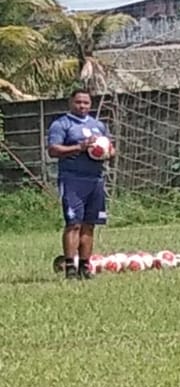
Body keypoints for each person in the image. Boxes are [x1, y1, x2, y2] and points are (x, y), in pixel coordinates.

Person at [46, 89, 114, 278]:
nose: (82, 106)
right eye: (78, 102)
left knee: (89, 224)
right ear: (70, 102)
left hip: (95, 180)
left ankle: (85, 266)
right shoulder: (61, 124)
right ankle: (70, 267)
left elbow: (110, 148)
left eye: (86, 103)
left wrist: (106, 151)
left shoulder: (98, 125)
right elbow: (53, 150)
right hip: (72, 180)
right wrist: (80, 147)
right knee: (73, 224)